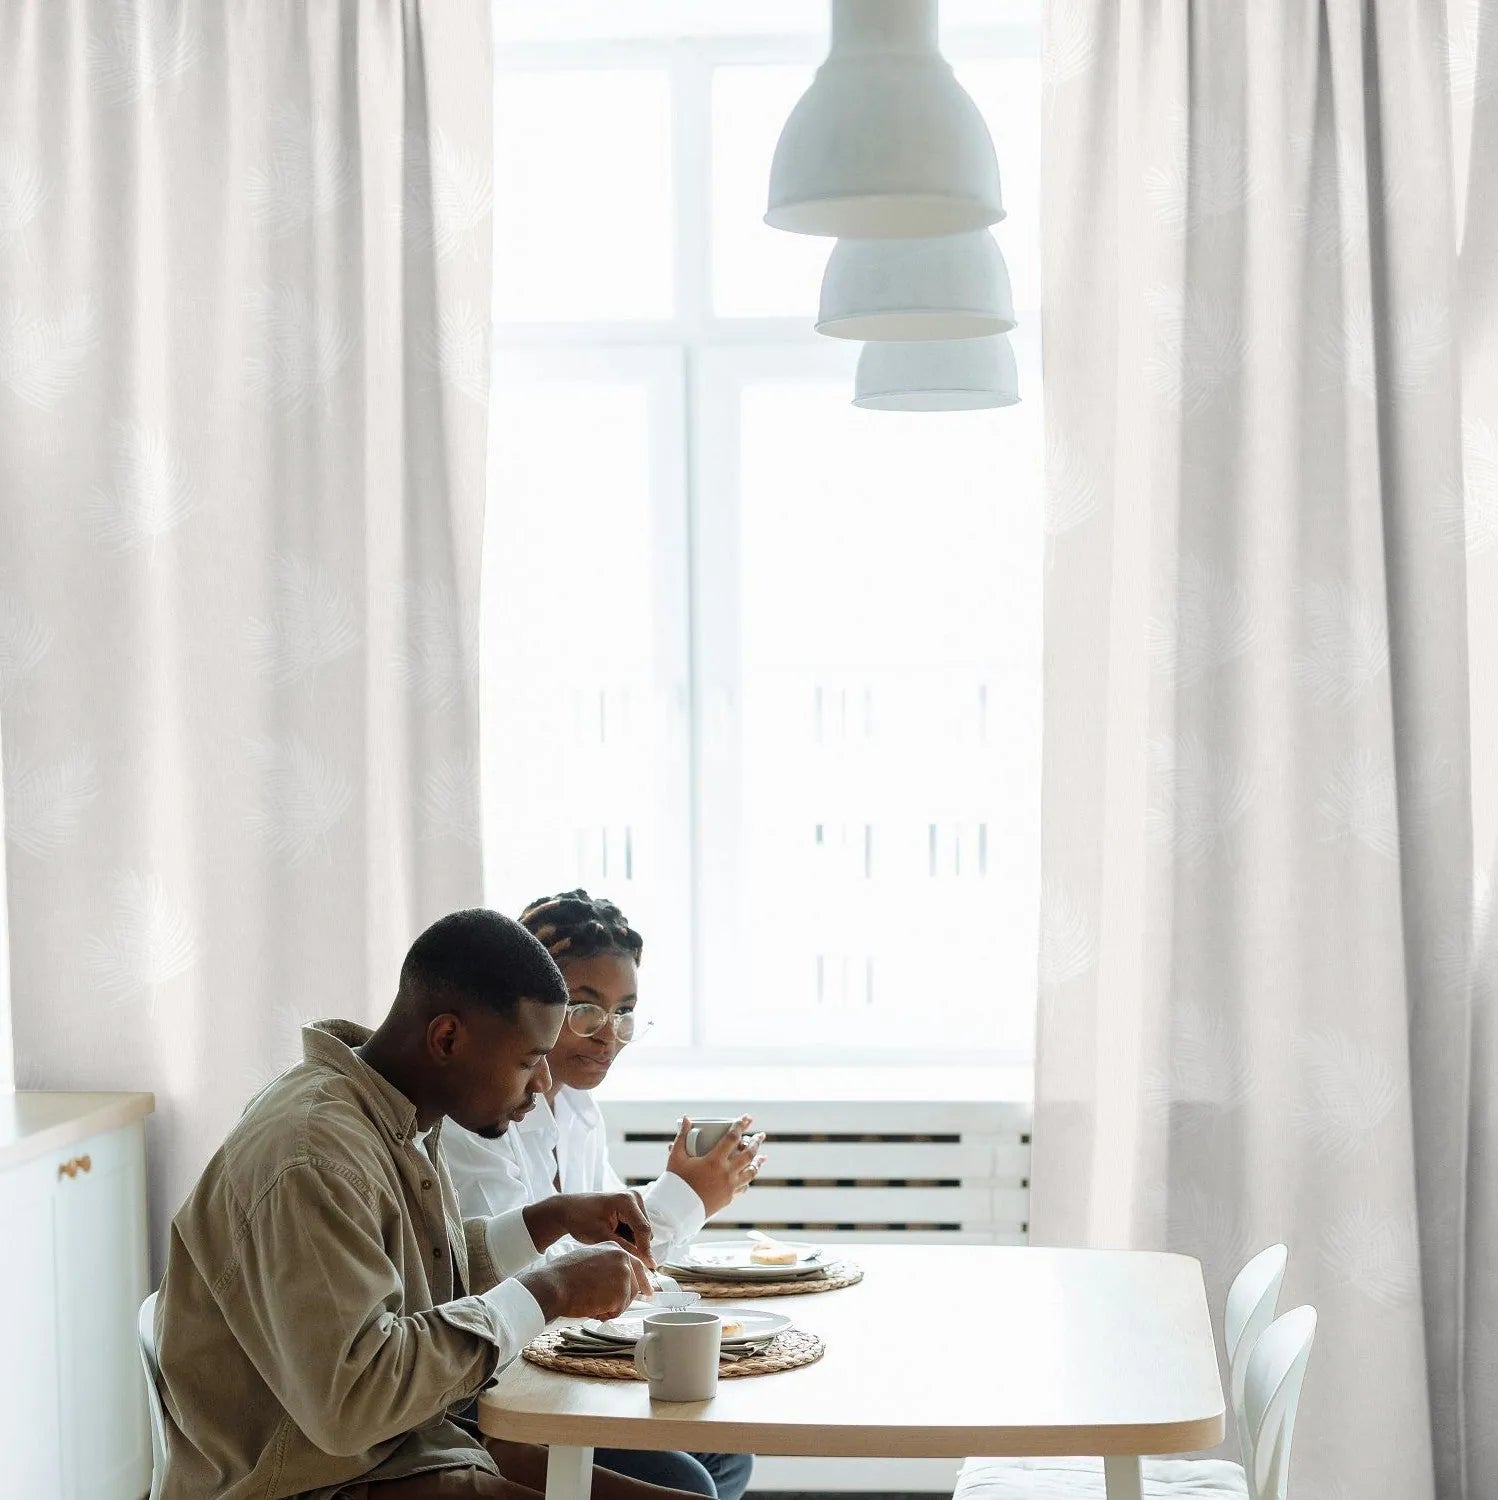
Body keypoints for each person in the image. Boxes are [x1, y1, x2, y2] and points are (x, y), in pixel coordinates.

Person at [152, 908, 708, 1500]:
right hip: (318, 1481)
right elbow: (356, 1399)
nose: (543, 1084)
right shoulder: (313, 1156)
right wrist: (552, 1291)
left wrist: (547, 1220)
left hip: (403, 1451)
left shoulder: (389, 1115)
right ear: (447, 1038)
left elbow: (410, 1285)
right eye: (528, 1061)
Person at [444, 891, 764, 1500]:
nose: (608, 1037)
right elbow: (513, 1278)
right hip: (494, 1378)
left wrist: (694, 1193)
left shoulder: (579, 1110)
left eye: (624, 1014)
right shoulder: (483, 1115)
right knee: (693, 1478)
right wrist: (684, 1196)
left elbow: (616, 1246)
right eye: (584, 1009)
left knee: (727, 1451)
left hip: (560, 1353)